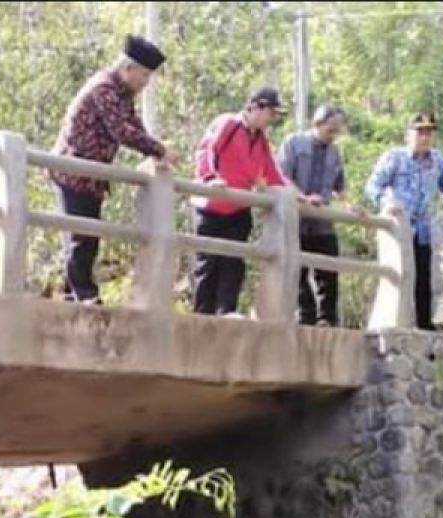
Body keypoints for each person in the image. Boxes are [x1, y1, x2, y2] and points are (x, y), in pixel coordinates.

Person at [50, 36, 177, 304]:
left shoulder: (123, 94)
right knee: (81, 235)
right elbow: (121, 131)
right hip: (73, 169)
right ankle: (83, 294)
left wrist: (157, 150)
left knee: (86, 236)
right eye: (143, 75)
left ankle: (71, 293)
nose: (146, 82)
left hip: (92, 176)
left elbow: (134, 124)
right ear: (127, 68)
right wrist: (157, 150)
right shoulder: (103, 88)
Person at [191, 87, 289, 317]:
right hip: (212, 205)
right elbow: (206, 151)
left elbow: (272, 171)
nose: (272, 119)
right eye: (270, 113)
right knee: (208, 263)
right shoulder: (228, 124)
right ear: (255, 107)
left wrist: (295, 196)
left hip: (239, 207)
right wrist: (210, 178)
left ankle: (227, 310)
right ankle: (202, 314)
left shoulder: (261, 139)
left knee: (234, 262)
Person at [365, 111, 443, 330]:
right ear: (408, 134)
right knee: (400, 276)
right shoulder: (394, 158)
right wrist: (388, 201)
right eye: (420, 132)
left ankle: (424, 325)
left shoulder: (437, 160)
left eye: (429, 133)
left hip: (424, 230)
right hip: (399, 227)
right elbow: (373, 186)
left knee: (424, 278)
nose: (424, 137)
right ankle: (396, 324)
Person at [278, 104, 353, 327]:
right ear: (317, 124)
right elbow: (281, 176)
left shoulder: (334, 152)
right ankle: (305, 316)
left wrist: (351, 204)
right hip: (296, 220)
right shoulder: (293, 143)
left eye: (337, 131)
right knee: (297, 272)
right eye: (330, 130)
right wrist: (303, 198)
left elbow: (340, 185)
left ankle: (327, 319)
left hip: (322, 222)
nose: (333, 136)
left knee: (328, 270)